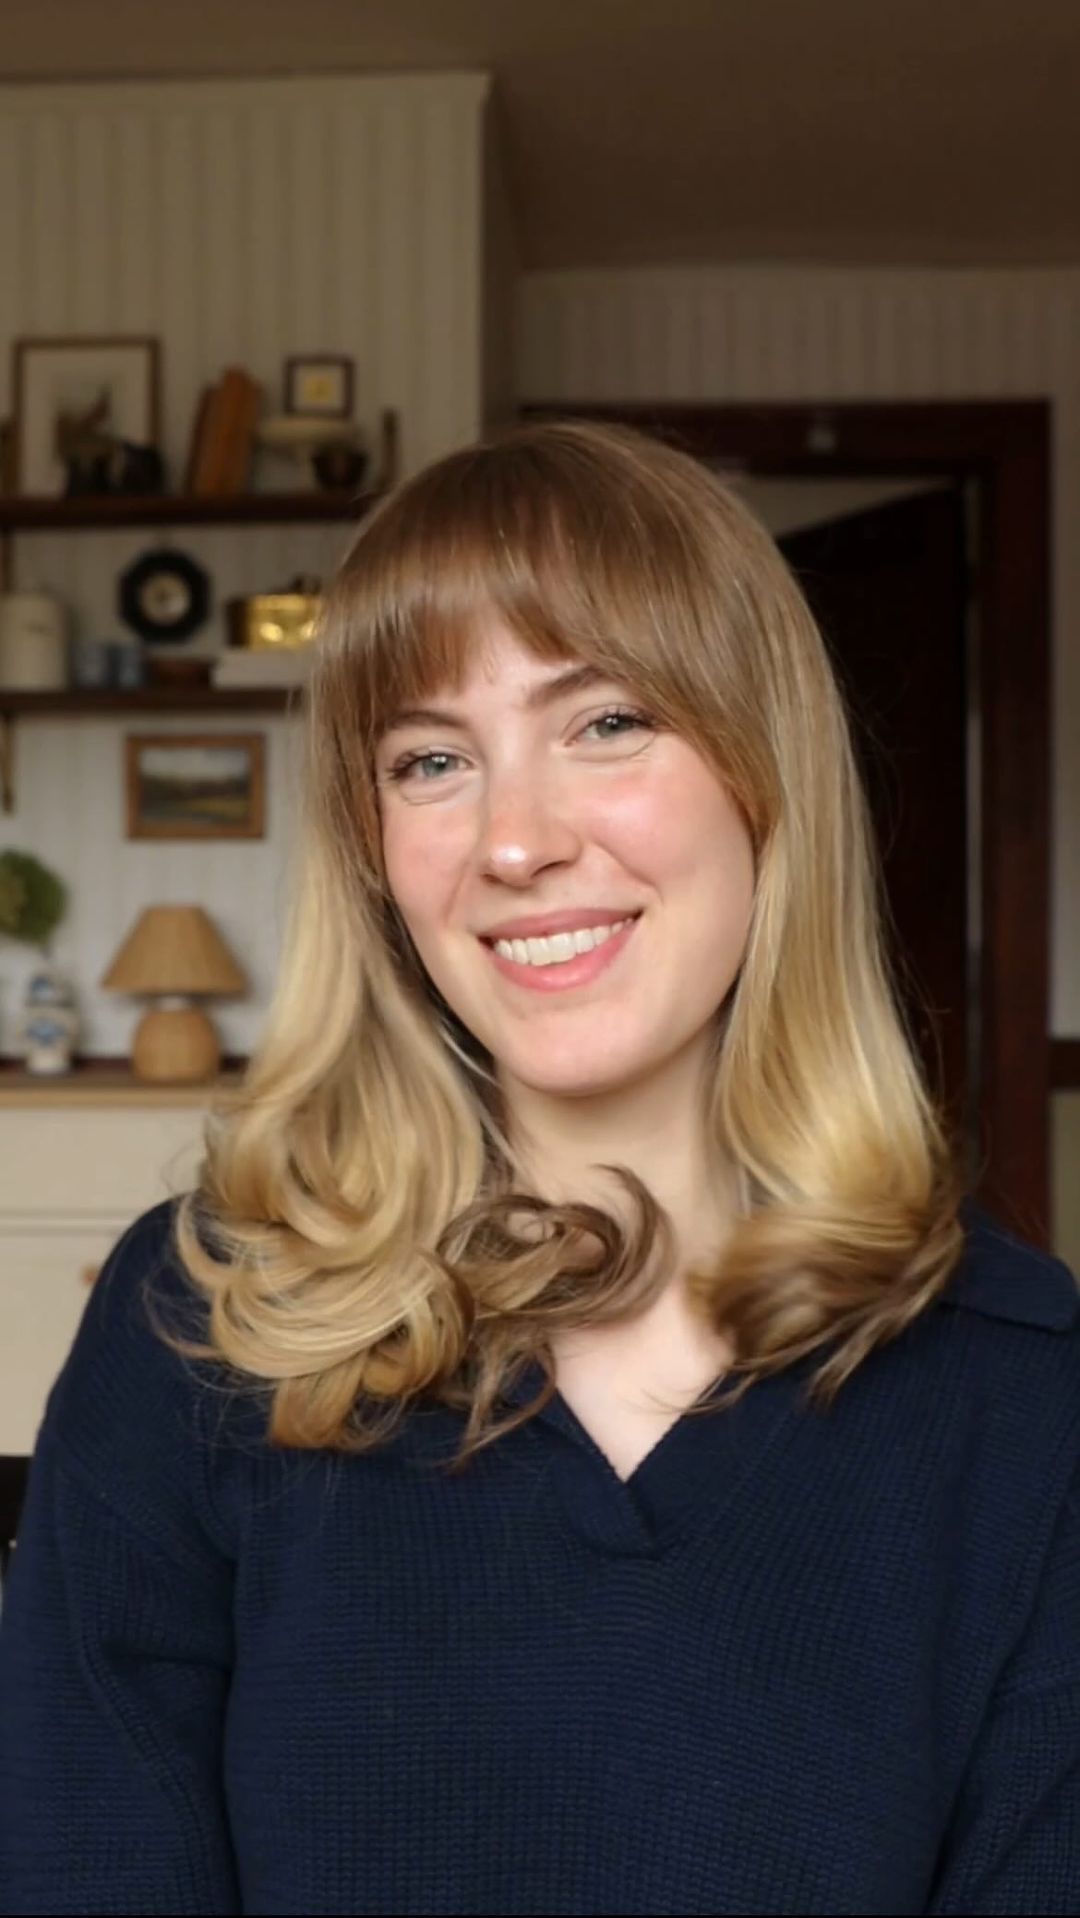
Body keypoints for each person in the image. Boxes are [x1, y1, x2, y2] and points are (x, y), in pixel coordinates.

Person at [1, 420, 1078, 1916]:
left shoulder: (1025, 1392)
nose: (514, 842)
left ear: (768, 775)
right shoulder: (195, 1324)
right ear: (372, 847)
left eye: (607, 721)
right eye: (433, 760)